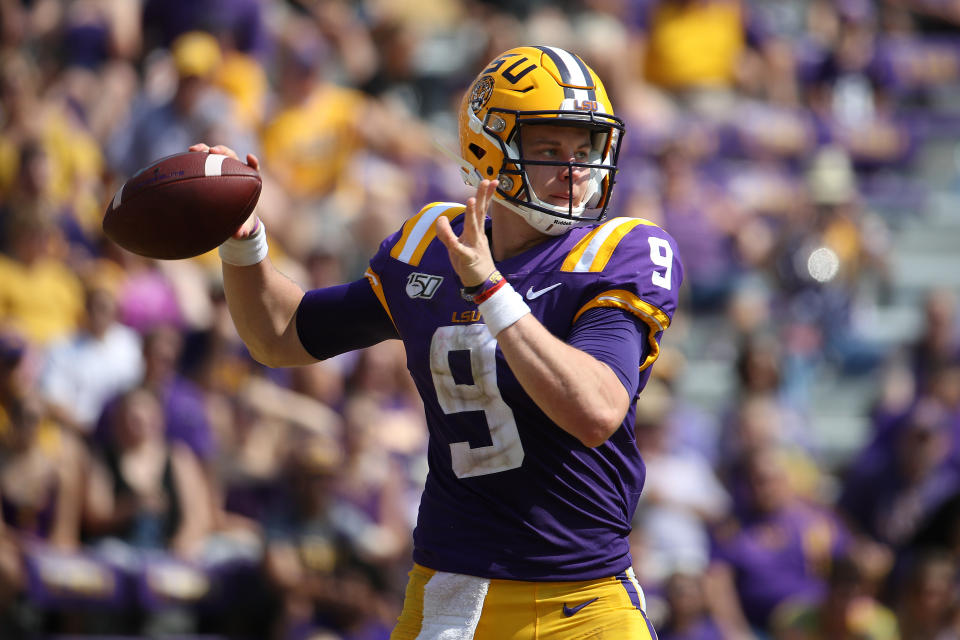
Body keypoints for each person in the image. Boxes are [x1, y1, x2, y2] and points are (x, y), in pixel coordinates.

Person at [192, 44, 682, 638]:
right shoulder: (432, 242)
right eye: (550, 149)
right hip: (450, 595)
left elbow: (597, 410)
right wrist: (243, 241)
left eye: (584, 149)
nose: (575, 168)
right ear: (488, 152)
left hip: (583, 602)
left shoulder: (622, 250)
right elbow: (281, 335)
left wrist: (493, 291)